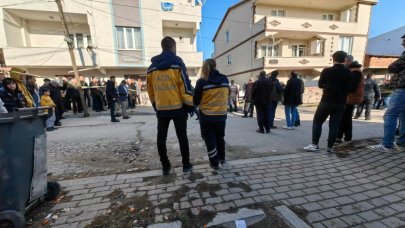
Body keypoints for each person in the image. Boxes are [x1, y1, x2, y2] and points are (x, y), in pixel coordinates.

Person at [147, 36, 194, 175]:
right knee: (182, 137)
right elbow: (185, 87)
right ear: (173, 48)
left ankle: (165, 166)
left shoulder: (151, 68)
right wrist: (190, 105)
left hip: (161, 109)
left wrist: (156, 105)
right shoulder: (178, 64)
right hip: (178, 108)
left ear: (162, 47)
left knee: (161, 138)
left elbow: (150, 90)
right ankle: (186, 164)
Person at [304, 51, 355, 153]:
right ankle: (329, 147)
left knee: (317, 122)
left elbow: (320, 85)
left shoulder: (326, 71)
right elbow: (351, 88)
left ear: (333, 59)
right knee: (334, 125)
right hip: (341, 103)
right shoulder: (349, 72)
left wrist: (327, 87)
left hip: (326, 100)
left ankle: (314, 144)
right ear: (345, 60)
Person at [370, 34, 405, 151]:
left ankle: (387, 144)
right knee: (403, 116)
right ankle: (402, 142)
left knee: (390, 115)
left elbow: (392, 67)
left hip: (402, 89)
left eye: (404, 40)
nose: (402, 43)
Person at [194, 59, 229, 169]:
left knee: (210, 139)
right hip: (222, 115)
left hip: (207, 116)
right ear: (215, 66)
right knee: (220, 137)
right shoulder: (224, 79)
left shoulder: (202, 82)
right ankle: (222, 158)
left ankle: (214, 163)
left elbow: (196, 101)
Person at [337, 60, 364, 143]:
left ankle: (343, 136)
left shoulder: (355, 72)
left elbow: (352, 86)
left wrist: (342, 89)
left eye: (345, 61)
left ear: (349, 62)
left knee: (345, 118)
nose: (344, 63)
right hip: (351, 97)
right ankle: (344, 136)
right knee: (345, 118)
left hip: (350, 98)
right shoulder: (355, 71)